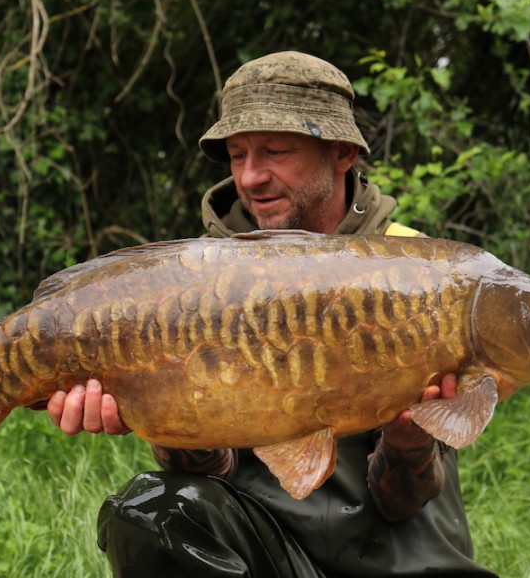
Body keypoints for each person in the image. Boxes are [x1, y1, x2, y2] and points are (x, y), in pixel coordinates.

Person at [47, 51, 497, 576]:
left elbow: (402, 503)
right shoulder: (198, 285)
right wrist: (159, 416)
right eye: (237, 156)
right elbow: (213, 475)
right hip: (267, 554)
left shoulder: (424, 273)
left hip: (400, 560)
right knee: (150, 512)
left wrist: (409, 437)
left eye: (274, 151)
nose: (250, 177)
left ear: (343, 152)